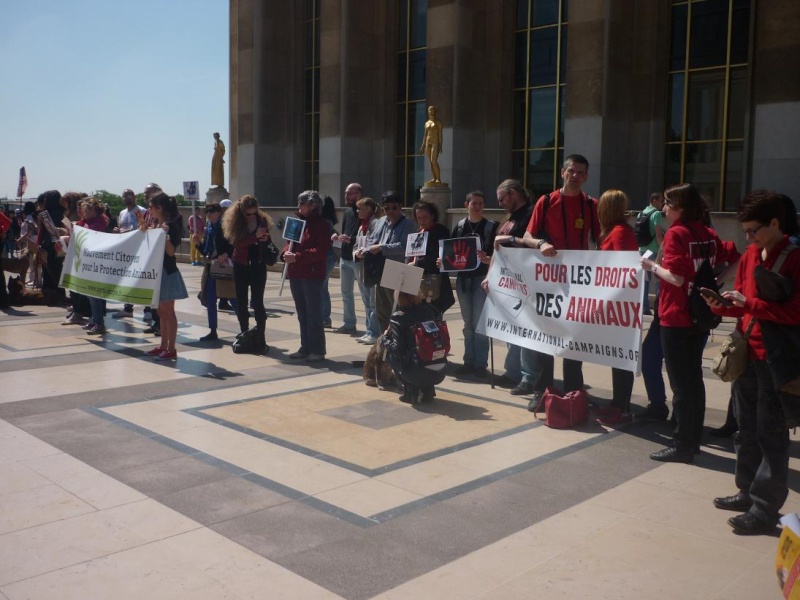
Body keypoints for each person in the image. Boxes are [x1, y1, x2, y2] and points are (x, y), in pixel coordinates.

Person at [706, 190, 800, 535]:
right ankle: (746, 490)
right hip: (747, 348)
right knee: (745, 427)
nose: (748, 237)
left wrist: (749, 305)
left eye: (753, 230)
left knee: (771, 434)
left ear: (775, 223)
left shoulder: (794, 257)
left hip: (776, 357)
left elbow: (794, 312)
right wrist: (721, 306)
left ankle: (764, 507)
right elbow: (743, 304)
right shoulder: (750, 255)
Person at [640, 183, 738, 463]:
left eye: (668, 204)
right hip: (700, 316)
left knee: (681, 384)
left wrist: (651, 267)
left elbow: (677, 277)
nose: (664, 208)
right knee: (694, 379)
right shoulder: (705, 232)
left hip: (676, 315)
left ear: (680, 208)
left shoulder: (678, 234)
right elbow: (734, 257)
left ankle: (683, 443)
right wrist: (714, 285)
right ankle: (691, 438)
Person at [519, 155, 600, 408]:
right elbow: (527, 236)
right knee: (545, 338)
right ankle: (541, 390)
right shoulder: (546, 201)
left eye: (580, 172)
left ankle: (575, 392)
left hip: (578, 281)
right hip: (549, 280)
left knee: (574, 339)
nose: (574, 176)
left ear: (586, 176)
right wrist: (541, 243)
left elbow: (602, 239)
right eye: (571, 171)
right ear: (562, 172)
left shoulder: (591, 205)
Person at [481, 179, 533, 388]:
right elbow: (497, 250)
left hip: (525, 280)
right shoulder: (509, 218)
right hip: (506, 280)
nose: (500, 203)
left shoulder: (530, 214)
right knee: (511, 329)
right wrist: (489, 275)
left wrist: (510, 240)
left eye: (501, 198)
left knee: (526, 330)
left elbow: (531, 244)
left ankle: (528, 375)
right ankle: (513, 371)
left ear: (512, 194)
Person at [594, 190, 638, 425]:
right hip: (614, 304)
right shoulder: (615, 231)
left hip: (619, 305)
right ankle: (618, 402)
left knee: (621, 358)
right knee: (616, 357)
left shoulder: (619, 233)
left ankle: (622, 407)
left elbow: (622, 269)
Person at [442, 191, 497, 379]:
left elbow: (498, 257)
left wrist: (487, 259)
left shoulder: (491, 227)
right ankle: (469, 361)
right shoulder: (459, 227)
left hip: (482, 278)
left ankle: (480, 364)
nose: (477, 206)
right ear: (467, 205)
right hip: (464, 280)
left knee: (480, 322)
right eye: (474, 203)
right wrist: (443, 262)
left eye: (480, 203)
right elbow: (450, 252)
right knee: (468, 323)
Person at [282, 190, 332, 362]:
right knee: (302, 313)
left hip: (311, 274)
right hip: (296, 273)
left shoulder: (323, 224)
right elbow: (289, 243)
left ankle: (318, 349)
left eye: (302, 204)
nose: (299, 207)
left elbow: (321, 251)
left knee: (314, 313)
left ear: (313, 205)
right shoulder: (297, 223)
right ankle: (306, 347)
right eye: (299, 203)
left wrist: (297, 257)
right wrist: (285, 253)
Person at [222, 195, 274, 353]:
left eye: (254, 212)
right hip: (241, 265)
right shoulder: (236, 222)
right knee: (241, 302)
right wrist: (255, 237)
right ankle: (245, 333)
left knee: (258, 302)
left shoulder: (262, 220)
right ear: (242, 211)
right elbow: (236, 243)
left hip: (258, 265)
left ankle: (260, 336)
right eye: (249, 214)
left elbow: (266, 239)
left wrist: (264, 238)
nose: (252, 216)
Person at [140, 193, 188, 360]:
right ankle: (163, 345)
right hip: (157, 272)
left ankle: (171, 348)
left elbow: (171, 251)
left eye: (151, 206)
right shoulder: (156, 224)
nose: (149, 210)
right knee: (161, 311)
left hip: (167, 272)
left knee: (168, 312)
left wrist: (164, 234)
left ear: (159, 208)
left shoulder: (171, 225)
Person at [383, 291, 446, 403]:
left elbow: (398, 350)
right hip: (440, 370)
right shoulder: (430, 310)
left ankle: (410, 391)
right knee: (425, 350)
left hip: (417, 371)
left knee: (390, 353)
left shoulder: (399, 317)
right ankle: (428, 390)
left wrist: (385, 339)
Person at [367, 191, 415, 332]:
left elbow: (404, 247)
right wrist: (365, 248)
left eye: (394, 207)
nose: (390, 211)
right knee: (381, 310)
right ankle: (386, 341)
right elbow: (373, 239)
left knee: (398, 310)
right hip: (380, 269)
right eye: (386, 208)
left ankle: (400, 341)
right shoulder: (381, 221)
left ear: (400, 207)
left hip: (397, 270)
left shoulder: (408, 224)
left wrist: (381, 248)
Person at [409, 201, 454, 313]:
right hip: (419, 280)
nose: (422, 220)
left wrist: (417, 263)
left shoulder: (441, 232)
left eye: (425, 217)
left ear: (432, 216)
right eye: (419, 218)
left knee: (433, 315)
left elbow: (438, 257)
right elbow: (411, 254)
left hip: (435, 283)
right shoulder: (419, 232)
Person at [199, 202, 235, 341]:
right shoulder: (208, 228)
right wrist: (197, 244)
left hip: (225, 265)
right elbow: (206, 251)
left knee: (232, 297)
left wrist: (225, 255)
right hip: (211, 266)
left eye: (212, 211)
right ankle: (212, 330)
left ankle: (244, 329)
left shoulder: (225, 226)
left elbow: (234, 244)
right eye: (207, 211)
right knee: (210, 299)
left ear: (219, 212)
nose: (209, 214)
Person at [332, 183, 363, 335]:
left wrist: (351, 239)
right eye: (345, 193)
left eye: (349, 193)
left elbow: (368, 236)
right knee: (346, 293)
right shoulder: (347, 212)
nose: (345, 196)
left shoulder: (364, 212)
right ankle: (349, 324)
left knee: (366, 294)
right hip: (345, 257)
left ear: (358, 195)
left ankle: (372, 328)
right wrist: (338, 238)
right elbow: (346, 232)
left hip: (358, 258)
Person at [77, 197, 111, 335]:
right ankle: (94, 319)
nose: (84, 213)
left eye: (87, 210)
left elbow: (89, 235)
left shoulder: (100, 221)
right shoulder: (87, 221)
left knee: (95, 293)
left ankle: (99, 323)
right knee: (90, 293)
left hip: (97, 261)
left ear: (93, 210)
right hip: (89, 261)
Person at [352, 197, 382, 344]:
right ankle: (369, 330)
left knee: (372, 300)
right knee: (365, 299)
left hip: (371, 265)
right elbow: (357, 244)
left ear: (368, 209)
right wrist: (356, 252)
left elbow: (376, 242)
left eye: (360, 208)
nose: (358, 211)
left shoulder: (375, 223)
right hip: (362, 264)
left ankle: (374, 332)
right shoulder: (361, 226)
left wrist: (365, 250)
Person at [112, 189, 146, 319]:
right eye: (124, 196)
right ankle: (127, 307)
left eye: (129, 195)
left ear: (134, 197)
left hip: (138, 249)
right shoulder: (122, 213)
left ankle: (147, 309)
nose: (127, 198)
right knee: (127, 279)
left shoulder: (140, 211)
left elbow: (143, 228)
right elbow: (121, 227)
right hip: (125, 251)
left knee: (141, 279)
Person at [639, 192, 666, 315]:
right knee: (659, 279)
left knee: (644, 281)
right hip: (654, 250)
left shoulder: (642, 212)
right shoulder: (656, 214)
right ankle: (658, 306)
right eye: (661, 201)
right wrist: (663, 248)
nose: (662, 204)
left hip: (642, 250)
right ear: (654, 201)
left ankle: (644, 306)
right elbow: (658, 234)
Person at [320, 196, 338, 328]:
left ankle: (325, 317)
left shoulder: (325, 222)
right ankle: (325, 317)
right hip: (329, 257)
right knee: (323, 288)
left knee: (320, 287)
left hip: (326, 257)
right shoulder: (329, 221)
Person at [419, 106, 443, 184]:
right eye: (429, 110)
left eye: (432, 110)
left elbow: (440, 135)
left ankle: (438, 178)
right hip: (428, 143)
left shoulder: (438, 123)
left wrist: (440, 145)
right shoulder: (426, 123)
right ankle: (434, 178)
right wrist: (422, 146)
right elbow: (425, 135)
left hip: (435, 142)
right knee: (430, 162)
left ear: (434, 112)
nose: (431, 111)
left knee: (434, 161)